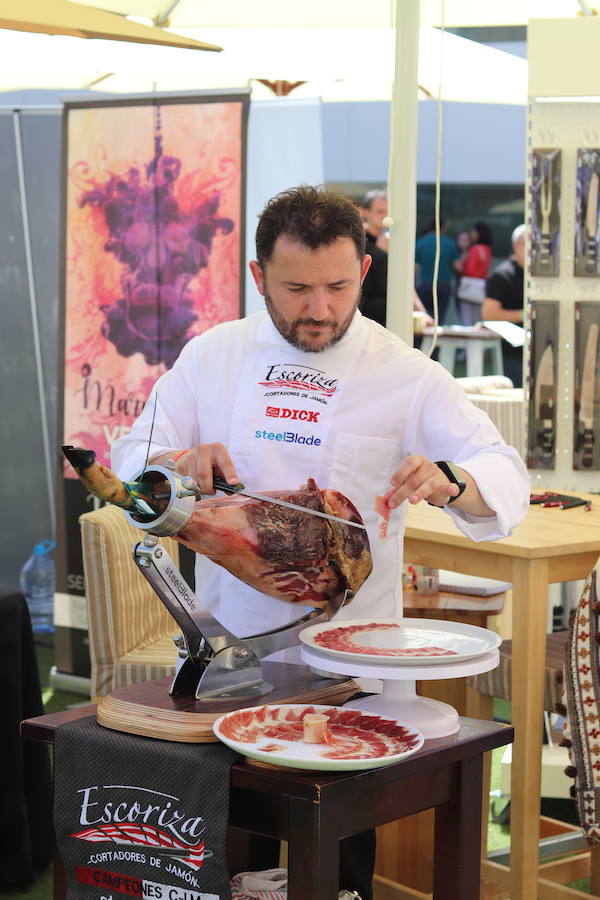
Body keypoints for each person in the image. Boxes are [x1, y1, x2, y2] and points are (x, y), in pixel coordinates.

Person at [112, 186, 529, 900]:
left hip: (354, 666)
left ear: (363, 271)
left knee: (336, 871)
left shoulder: (408, 374)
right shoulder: (213, 356)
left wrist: (453, 479)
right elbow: (131, 458)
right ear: (256, 277)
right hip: (228, 660)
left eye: (338, 286)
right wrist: (172, 467)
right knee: (230, 858)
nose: (320, 309)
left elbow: (505, 474)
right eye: (297, 288)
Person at [482, 224, 525, 387]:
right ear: (515, 246)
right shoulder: (502, 275)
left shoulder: (538, 275)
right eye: (525, 244)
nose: (531, 249)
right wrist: (523, 315)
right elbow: (488, 313)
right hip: (510, 352)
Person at [414, 220, 460, 325]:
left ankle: (423, 341)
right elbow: (458, 267)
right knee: (439, 319)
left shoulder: (420, 243)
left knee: (424, 317)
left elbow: (415, 269)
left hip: (424, 286)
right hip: (443, 286)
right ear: (442, 228)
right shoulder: (450, 243)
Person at [454, 221, 493, 326]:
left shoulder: (474, 249)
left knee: (467, 321)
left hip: (469, 287)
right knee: (477, 321)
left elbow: (470, 270)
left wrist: (460, 267)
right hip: (481, 287)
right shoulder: (487, 249)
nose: (472, 234)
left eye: (474, 231)